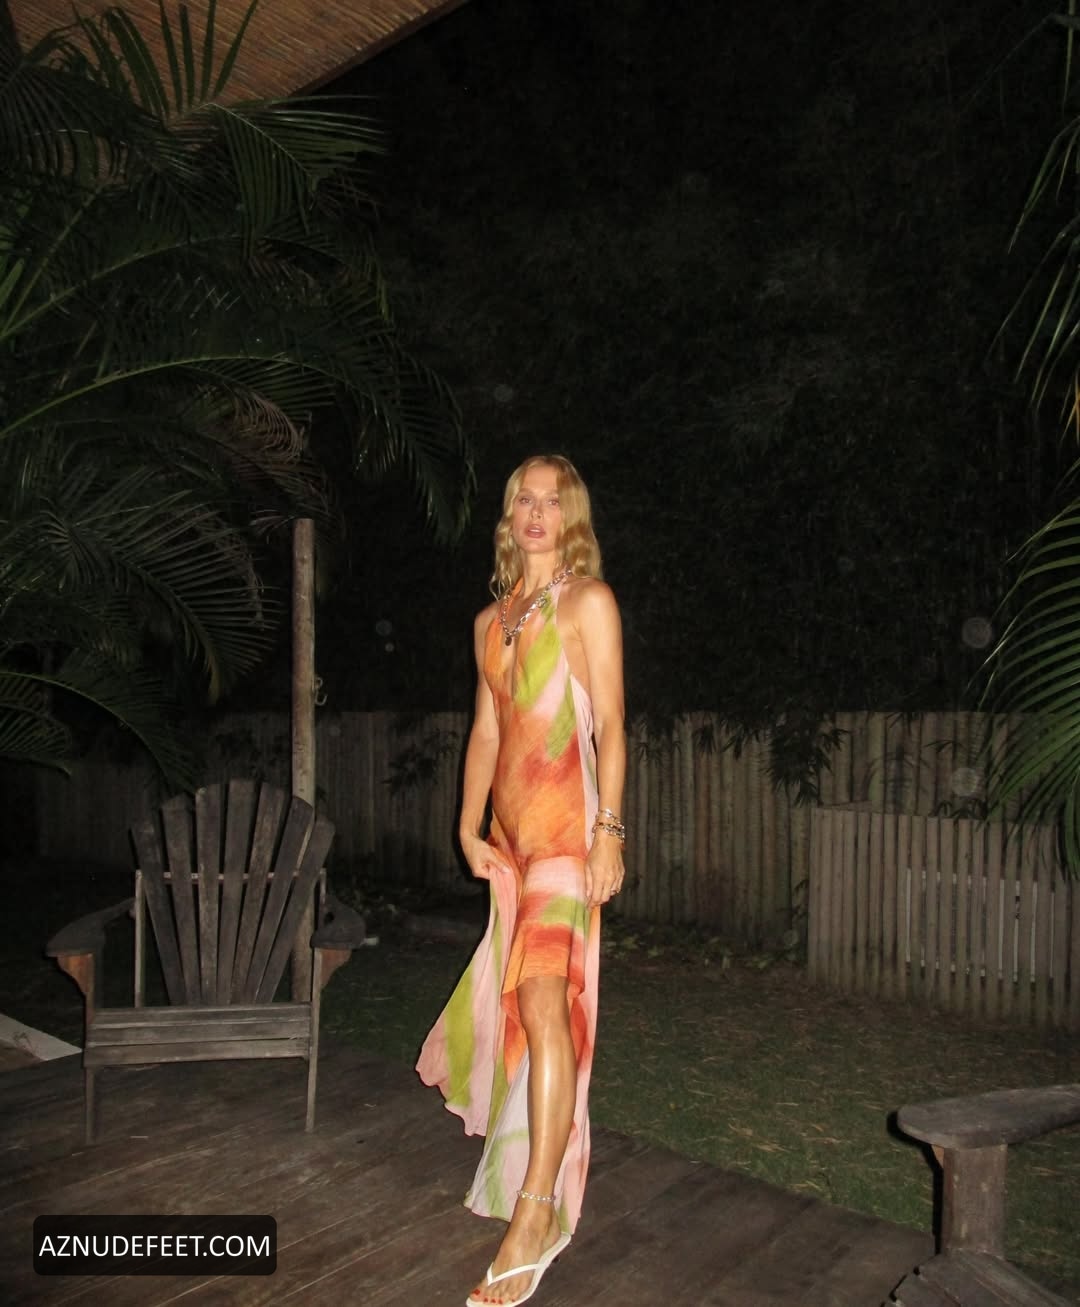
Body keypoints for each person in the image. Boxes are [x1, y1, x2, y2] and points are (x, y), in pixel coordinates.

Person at [416, 454, 626, 1307]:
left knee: (544, 1001)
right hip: (514, 848)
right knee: (526, 1014)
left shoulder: (587, 603)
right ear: (509, 518)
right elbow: (486, 732)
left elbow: (612, 725)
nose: (537, 513)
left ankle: (535, 1211)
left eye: (552, 501)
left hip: (570, 839)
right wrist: (467, 827)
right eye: (524, 501)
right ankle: (534, 1179)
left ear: (571, 517)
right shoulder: (491, 621)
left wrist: (610, 832)